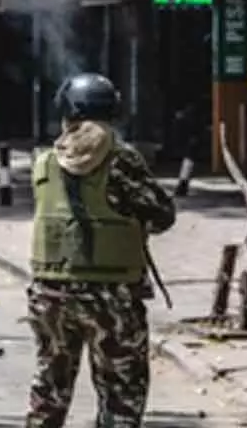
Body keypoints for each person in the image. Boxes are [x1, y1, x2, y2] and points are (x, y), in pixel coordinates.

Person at [25, 72, 176, 428]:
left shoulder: (44, 162)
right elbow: (162, 213)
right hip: (112, 296)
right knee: (121, 393)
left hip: (51, 293)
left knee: (50, 389)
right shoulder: (122, 159)